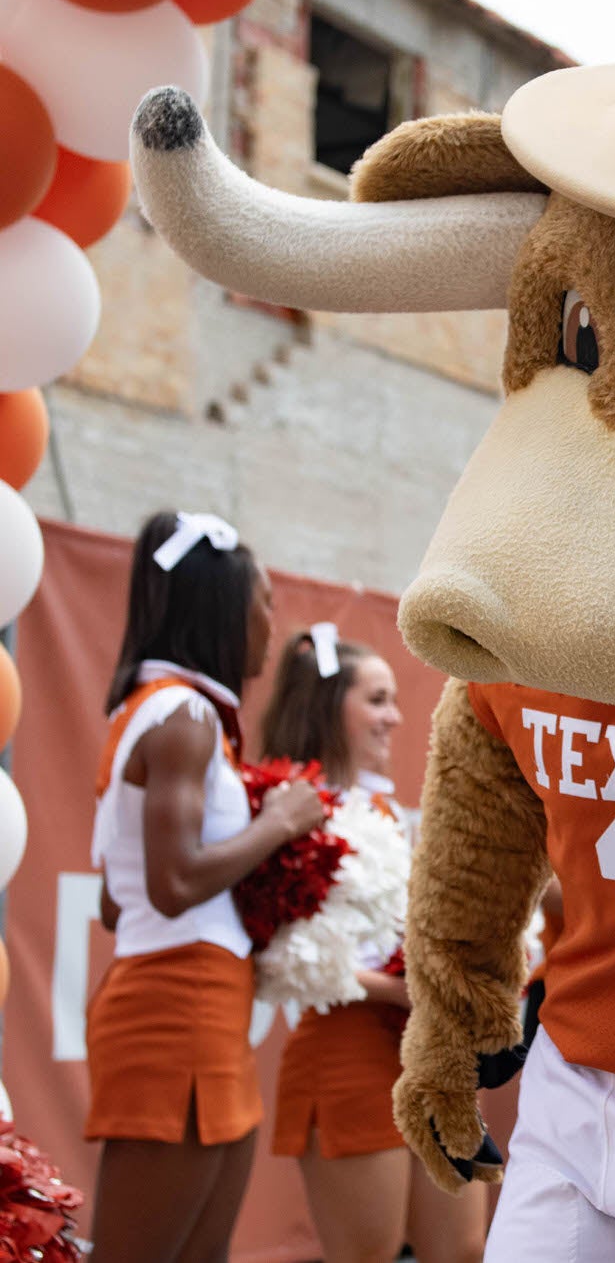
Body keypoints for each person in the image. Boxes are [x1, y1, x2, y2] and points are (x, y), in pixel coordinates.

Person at [86, 511, 328, 1263]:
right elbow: (170, 883)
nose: (271, 619)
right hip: (174, 1008)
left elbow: (113, 899)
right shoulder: (181, 715)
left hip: (203, 1002)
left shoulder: (182, 715)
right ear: (222, 608)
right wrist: (279, 824)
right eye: (262, 600)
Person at [261, 627, 490, 1263]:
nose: (395, 716)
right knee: (370, 1253)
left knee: (463, 1247)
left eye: (394, 700)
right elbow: (284, 957)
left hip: (426, 1056)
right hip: (346, 1054)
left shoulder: (385, 813)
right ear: (329, 705)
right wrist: (409, 990)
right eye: (378, 700)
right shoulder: (289, 807)